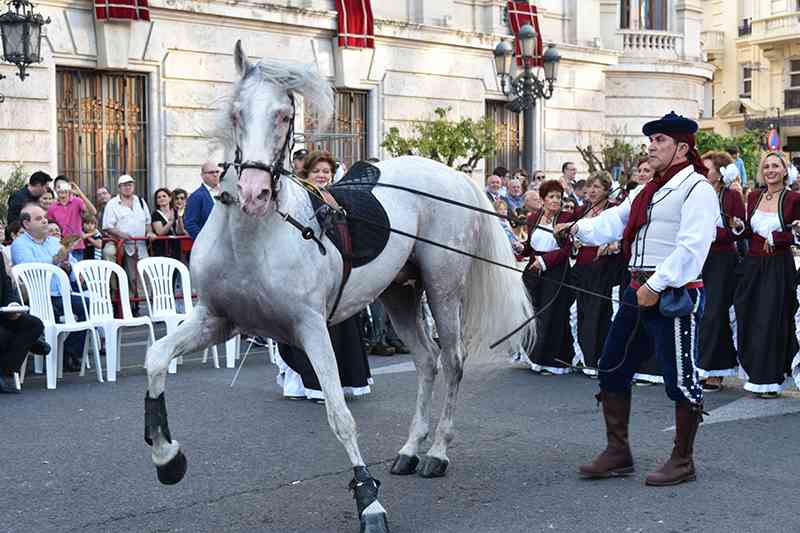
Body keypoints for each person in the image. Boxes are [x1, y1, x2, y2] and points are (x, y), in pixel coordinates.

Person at [560, 111, 719, 486]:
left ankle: (683, 460)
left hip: (675, 293)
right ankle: (618, 452)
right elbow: (613, 221)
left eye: (660, 140)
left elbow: (693, 248)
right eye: (650, 139)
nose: (651, 146)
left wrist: (656, 285)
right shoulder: (646, 190)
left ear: (682, 148)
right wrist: (575, 229)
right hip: (638, 289)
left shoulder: (697, 189)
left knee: (680, 379)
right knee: (612, 365)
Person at [276, 150, 373, 402]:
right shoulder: (297, 196)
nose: (321, 175)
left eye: (326, 171)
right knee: (301, 329)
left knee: (337, 327)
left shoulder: (333, 196)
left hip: (334, 271)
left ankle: (333, 383)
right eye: (316, 171)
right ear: (306, 172)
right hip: (301, 273)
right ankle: (302, 385)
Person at [734, 152, 800, 399]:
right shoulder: (754, 196)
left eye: (775, 166)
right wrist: (739, 227)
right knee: (749, 315)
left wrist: (778, 237)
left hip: (778, 267)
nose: (770, 170)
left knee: (770, 320)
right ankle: (755, 374)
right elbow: (748, 231)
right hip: (752, 266)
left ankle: (770, 378)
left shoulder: (793, 198)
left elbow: (797, 234)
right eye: (766, 166)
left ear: (784, 171)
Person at [12, 203, 87, 372]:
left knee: (90, 307)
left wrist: (70, 268)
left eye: (45, 218)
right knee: (52, 319)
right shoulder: (19, 245)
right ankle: (55, 358)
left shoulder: (54, 242)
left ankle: (68, 353)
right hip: (39, 298)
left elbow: (72, 268)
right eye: (39, 219)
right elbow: (31, 271)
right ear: (26, 224)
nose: (45, 221)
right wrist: (55, 260)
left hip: (62, 295)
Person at [696, 151, 746, 392]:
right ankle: (697, 365)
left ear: (720, 173)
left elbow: (740, 230)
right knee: (696, 312)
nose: (703, 172)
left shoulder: (731, 196)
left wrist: (714, 234)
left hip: (721, 260)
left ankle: (714, 370)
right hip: (697, 257)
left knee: (714, 312)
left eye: (707, 169)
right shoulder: (695, 194)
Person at [570, 172, 625, 377]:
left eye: (597, 187)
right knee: (581, 312)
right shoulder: (582, 210)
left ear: (607, 190)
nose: (592, 191)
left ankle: (599, 358)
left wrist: (612, 245)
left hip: (604, 269)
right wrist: (574, 244)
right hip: (582, 268)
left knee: (600, 313)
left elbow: (622, 237)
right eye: (590, 186)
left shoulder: (614, 211)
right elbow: (572, 240)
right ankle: (585, 357)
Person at [521, 179, 575, 375]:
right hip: (534, 273)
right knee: (533, 313)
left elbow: (567, 249)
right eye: (551, 197)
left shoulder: (566, 218)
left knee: (552, 314)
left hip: (557, 273)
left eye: (558, 197)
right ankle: (534, 356)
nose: (555, 200)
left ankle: (552, 361)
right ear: (543, 199)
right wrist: (520, 249)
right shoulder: (533, 218)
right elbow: (530, 246)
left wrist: (544, 261)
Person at [0, 252, 50, 393]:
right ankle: (33, 344)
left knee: (34, 325)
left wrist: (12, 305)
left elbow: (7, 287)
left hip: (2, 313)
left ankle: (5, 371)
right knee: (3, 334)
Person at [102, 174, 155, 304]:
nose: (127, 187)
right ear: (119, 188)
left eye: (130, 184)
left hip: (140, 245)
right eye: (124, 185)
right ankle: (117, 295)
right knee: (112, 257)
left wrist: (149, 232)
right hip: (119, 243)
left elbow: (147, 222)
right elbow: (107, 226)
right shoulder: (112, 204)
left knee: (141, 275)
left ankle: (140, 304)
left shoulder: (140, 201)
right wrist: (122, 234)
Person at [47, 176, 97, 261]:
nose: (62, 190)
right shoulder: (52, 207)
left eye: (64, 186)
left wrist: (80, 193)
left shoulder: (77, 201)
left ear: (68, 188)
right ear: (55, 189)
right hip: (60, 247)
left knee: (76, 269)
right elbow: (50, 226)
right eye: (59, 187)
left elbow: (93, 212)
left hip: (77, 246)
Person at [184, 162, 220, 240]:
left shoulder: (224, 192)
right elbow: (190, 224)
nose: (215, 175)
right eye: (211, 172)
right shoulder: (196, 196)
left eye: (217, 172)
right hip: (208, 242)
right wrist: (204, 239)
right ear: (202, 175)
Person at [151, 187, 184, 259]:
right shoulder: (155, 214)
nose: (162, 198)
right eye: (159, 197)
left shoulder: (175, 212)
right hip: (161, 249)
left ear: (170, 198)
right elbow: (160, 232)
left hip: (175, 248)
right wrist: (171, 222)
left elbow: (180, 231)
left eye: (164, 196)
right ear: (156, 201)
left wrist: (180, 217)